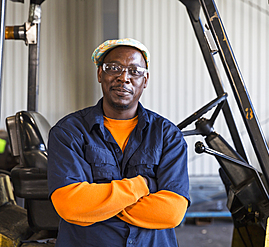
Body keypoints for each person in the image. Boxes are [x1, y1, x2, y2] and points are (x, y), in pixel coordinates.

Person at [47, 38, 190, 247]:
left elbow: (171, 213)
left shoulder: (168, 135)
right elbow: (71, 205)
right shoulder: (69, 132)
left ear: (145, 80)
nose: (124, 78)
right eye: (114, 68)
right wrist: (143, 185)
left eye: (134, 71)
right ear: (99, 74)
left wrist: (97, 205)